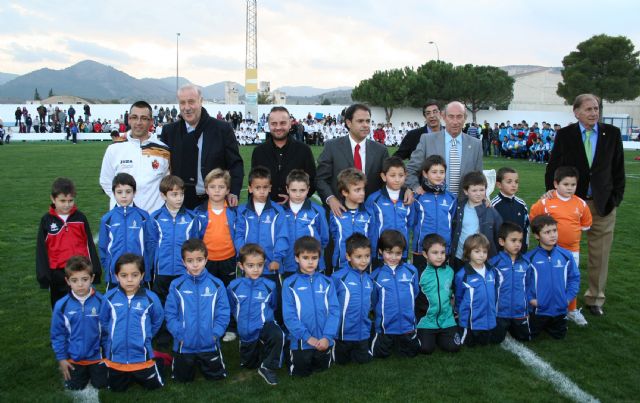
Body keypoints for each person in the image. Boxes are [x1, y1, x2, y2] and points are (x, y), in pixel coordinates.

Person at [544, 94, 625, 316]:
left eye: (596, 108)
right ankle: (560, 295)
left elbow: (618, 170)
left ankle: (595, 299)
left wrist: (615, 198)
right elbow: (553, 167)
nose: (593, 113)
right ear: (576, 112)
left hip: (602, 204)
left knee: (600, 254)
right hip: (570, 204)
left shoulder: (612, 134)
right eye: (588, 109)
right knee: (563, 250)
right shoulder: (565, 135)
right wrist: (552, 193)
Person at [161, 84, 244, 209]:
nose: (187, 108)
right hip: (180, 203)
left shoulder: (222, 129)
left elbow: (235, 164)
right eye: (182, 103)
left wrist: (234, 191)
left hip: (215, 201)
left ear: (201, 101)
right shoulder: (169, 131)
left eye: (191, 102)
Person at [531, 166, 592, 326]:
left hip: (572, 251)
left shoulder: (581, 204)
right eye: (566, 184)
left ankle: (571, 310)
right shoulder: (545, 202)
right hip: (548, 251)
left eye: (573, 185)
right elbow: (533, 219)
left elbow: (586, 225)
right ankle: (546, 307)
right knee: (550, 279)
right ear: (556, 184)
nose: (570, 188)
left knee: (570, 278)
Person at [317, 103, 400, 217]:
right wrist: (330, 199)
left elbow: (389, 179)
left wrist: (407, 190)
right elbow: (321, 179)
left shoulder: (381, 150)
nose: (366, 125)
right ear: (348, 123)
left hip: (371, 213)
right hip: (340, 212)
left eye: (368, 121)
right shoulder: (332, 147)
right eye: (360, 121)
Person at [164, 239, 230, 383]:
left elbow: (223, 313)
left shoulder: (217, 285)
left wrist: (216, 333)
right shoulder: (176, 285)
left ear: (206, 260)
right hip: (184, 345)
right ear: (183, 262)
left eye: (199, 260)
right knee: (182, 380)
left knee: (217, 378)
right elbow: (170, 314)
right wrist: (179, 334)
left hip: (209, 343)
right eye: (190, 260)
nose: (195, 264)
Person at [100, 254, 164, 392]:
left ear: (142, 276)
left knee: (154, 387)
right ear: (116, 276)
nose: (129, 280)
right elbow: (104, 320)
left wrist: (147, 335)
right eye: (124, 275)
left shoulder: (150, 298)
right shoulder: (109, 298)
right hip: (116, 357)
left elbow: (157, 319)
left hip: (142, 356)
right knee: (116, 389)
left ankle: (157, 361)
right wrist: (113, 335)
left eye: (134, 275)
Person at [36, 177, 101, 308]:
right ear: (53, 199)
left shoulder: (80, 218)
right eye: (62, 201)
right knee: (60, 308)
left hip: (81, 271)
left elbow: (89, 245)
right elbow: (41, 251)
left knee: (83, 307)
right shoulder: (46, 220)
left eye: (70, 200)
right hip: (57, 274)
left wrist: (96, 270)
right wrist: (44, 277)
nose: (67, 204)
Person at [282, 237, 340, 377]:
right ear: (297, 258)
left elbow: (334, 311)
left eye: (314, 258)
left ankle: (326, 347)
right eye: (305, 257)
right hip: (302, 341)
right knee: (300, 373)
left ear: (319, 258)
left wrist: (327, 337)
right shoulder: (289, 284)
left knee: (322, 369)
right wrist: (307, 337)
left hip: (323, 340)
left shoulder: (327, 282)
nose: (310, 261)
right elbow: (289, 316)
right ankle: (288, 351)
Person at [227, 244, 284, 385]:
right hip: (246, 331)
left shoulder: (269, 285)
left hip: (264, 325)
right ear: (241, 266)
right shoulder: (233, 286)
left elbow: (273, 305)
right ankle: (249, 348)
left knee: (278, 334)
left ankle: (267, 367)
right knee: (250, 365)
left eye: (259, 265)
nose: (255, 269)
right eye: (250, 265)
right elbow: (232, 307)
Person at [99, 101, 170, 213]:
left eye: (144, 118)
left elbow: (167, 183)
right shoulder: (114, 148)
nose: (138, 122)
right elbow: (106, 182)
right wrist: (123, 201)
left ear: (151, 121)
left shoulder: (163, 150)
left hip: (153, 218)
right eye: (134, 117)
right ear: (129, 120)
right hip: (124, 217)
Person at [50, 256, 107, 391]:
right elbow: (58, 334)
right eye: (74, 280)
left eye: (85, 279)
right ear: (67, 281)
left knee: (102, 385)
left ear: (92, 278)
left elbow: (108, 331)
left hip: (97, 357)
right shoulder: (61, 305)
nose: (80, 284)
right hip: (74, 358)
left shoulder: (102, 302)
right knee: (75, 387)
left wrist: (108, 354)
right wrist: (62, 358)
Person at [406, 101, 483, 196]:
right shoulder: (427, 140)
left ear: (465, 118)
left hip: (464, 204)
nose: (455, 121)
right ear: (444, 117)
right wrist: (415, 188)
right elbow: (411, 169)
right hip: (434, 203)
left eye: (459, 116)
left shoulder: (476, 144)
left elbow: (479, 178)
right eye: (451, 116)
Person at [147, 175, 201, 305]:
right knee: (161, 305)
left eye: (181, 194)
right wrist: (151, 269)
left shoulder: (192, 218)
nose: (179, 198)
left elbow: (195, 245)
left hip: (184, 271)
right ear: (163, 196)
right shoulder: (155, 218)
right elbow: (151, 246)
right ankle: (162, 326)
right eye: (174, 194)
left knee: (183, 304)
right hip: (162, 272)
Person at [525, 216, 580, 339]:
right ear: (537, 236)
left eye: (554, 230)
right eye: (547, 232)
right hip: (539, 309)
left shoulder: (566, 256)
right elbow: (523, 283)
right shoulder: (530, 258)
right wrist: (531, 299)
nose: (552, 235)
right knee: (528, 336)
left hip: (560, 308)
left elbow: (574, 278)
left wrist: (568, 298)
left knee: (559, 336)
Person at [370, 230, 420, 358]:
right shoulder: (375, 275)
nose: (393, 257)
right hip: (385, 327)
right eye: (389, 252)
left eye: (398, 253)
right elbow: (374, 300)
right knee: (380, 354)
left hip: (407, 325)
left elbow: (414, 292)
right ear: (381, 251)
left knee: (412, 353)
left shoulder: (411, 270)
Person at [251, 106, 317, 203]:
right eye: (274, 124)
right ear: (268, 125)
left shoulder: (304, 150)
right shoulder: (259, 151)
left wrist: (294, 198)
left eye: (282, 123)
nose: (278, 127)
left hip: (296, 211)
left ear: (290, 124)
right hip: (266, 211)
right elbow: (254, 181)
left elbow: (313, 180)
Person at [234, 166, 289, 282]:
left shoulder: (278, 211)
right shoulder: (242, 211)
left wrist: (277, 259)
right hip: (248, 266)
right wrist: (245, 257)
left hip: (270, 266)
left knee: (273, 298)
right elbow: (238, 235)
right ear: (250, 189)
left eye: (265, 187)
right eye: (257, 187)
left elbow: (282, 237)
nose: (262, 191)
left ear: (270, 188)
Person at [98, 173, 151, 289]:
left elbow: (150, 245)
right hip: (115, 275)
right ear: (114, 193)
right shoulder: (107, 219)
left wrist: (146, 268)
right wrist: (109, 268)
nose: (124, 196)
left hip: (139, 274)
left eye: (128, 192)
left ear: (134, 192)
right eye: (119, 192)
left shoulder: (144, 216)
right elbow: (103, 247)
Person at [330, 234, 374, 365]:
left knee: (363, 361)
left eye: (367, 256)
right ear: (348, 257)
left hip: (362, 333)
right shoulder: (338, 277)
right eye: (358, 257)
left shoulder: (369, 279)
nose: (364, 261)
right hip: (342, 334)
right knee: (341, 362)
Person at [416, 234, 461, 354]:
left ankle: (441, 335)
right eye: (435, 253)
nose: (440, 256)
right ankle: (428, 336)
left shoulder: (450, 271)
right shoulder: (418, 273)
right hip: (426, 321)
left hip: (446, 319)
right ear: (425, 254)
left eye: (442, 252)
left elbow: (452, 293)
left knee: (454, 347)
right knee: (425, 349)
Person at [365, 156, 413, 268]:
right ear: (383, 176)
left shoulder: (409, 199)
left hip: (401, 251)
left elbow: (411, 223)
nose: (397, 179)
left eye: (401, 175)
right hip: (380, 252)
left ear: (406, 175)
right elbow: (370, 226)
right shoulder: (374, 199)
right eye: (392, 175)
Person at [489, 222, 533, 342]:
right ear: (502, 242)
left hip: (520, 312)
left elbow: (529, 285)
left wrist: (528, 306)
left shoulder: (526, 262)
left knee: (525, 339)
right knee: (494, 341)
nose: (518, 244)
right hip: (500, 313)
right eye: (513, 240)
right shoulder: (494, 264)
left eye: (520, 241)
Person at [454, 234, 500, 347]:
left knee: (486, 342)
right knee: (468, 344)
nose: (481, 255)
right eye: (477, 251)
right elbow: (458, 295)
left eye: (484, 252)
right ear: (468, 252)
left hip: (488, 317)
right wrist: (458, 310)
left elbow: (494, 290)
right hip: (470, 320)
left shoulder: (492, 271)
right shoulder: (462, 274)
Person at [450, 171, 503, 269]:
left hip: (482, 259)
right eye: (474, 190)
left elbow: (500, 233)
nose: (478, 194)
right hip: (460, 256)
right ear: (466, 191)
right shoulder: (458, 208)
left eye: (481, 190)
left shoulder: (490, 210)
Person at [282, 169, 329, 275]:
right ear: (287, 189)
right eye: (294, 190)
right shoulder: (281, 212)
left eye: (302, 190)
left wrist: (313, 251)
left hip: (312, 263)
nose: (298, 194)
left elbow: (324, 237)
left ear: (308, 189)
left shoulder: (317, 210)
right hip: (288, 264)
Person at [329, 168, 372, 271]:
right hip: (341, 263)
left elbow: (372, 236)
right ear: (345, 192)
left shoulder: (368, 213)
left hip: (363, 264)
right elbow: (334, 235)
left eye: (363, 189)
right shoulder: (335, 213)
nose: (362, 193)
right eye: (357, 190)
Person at [491, 167, 530, 251]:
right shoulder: (493, 205)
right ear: (499, 185)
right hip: (500, 253)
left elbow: (526, 227)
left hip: (519, 252)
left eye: (516, 182)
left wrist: (524, 247)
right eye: (509, 182)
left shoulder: (521, 204)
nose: (514, 185)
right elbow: (491, 231)